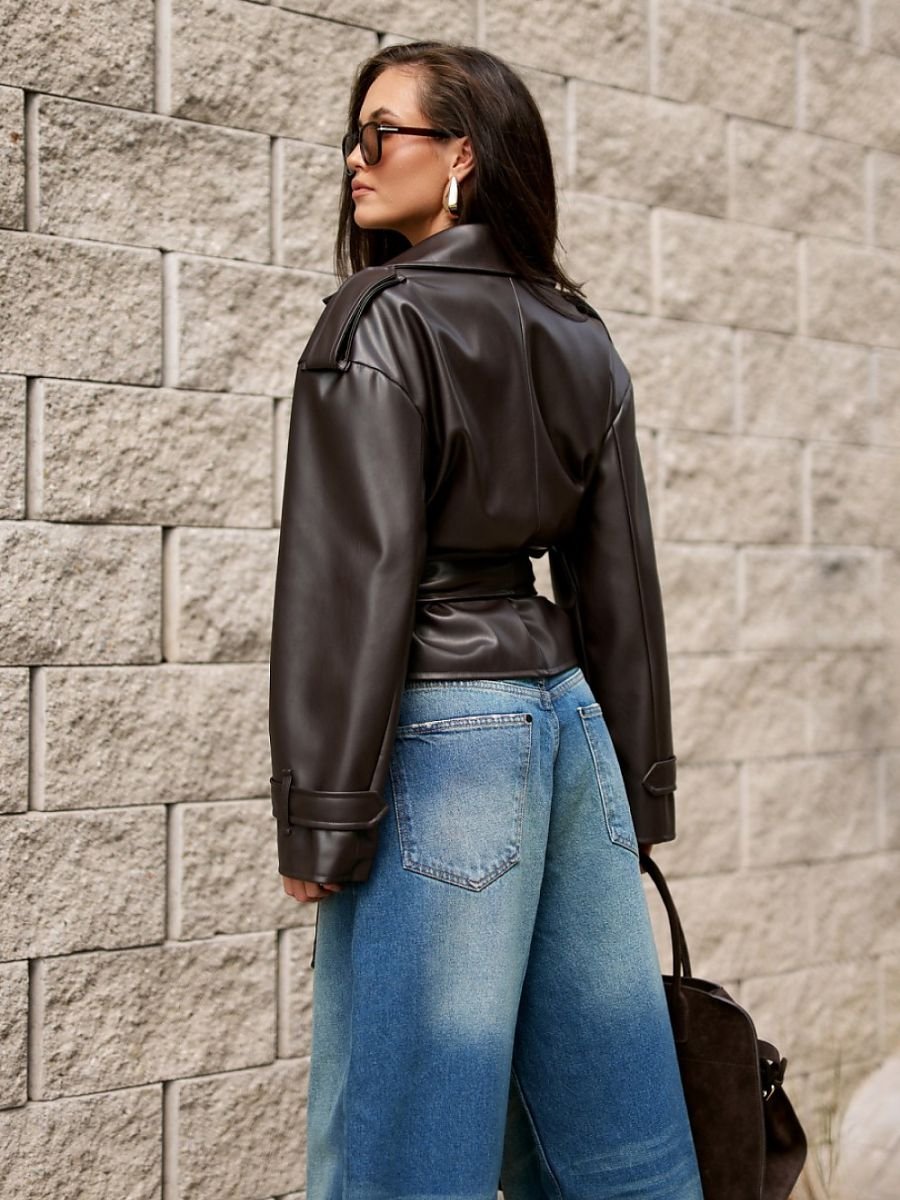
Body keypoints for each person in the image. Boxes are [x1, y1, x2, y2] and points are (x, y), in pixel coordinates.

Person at [267, 39, 704, 1200]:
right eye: (353, 136)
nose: (356, 159)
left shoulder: (378, 321)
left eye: (383, 134)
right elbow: (617, 585)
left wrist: (322, 812)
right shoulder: (579, 333)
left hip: (444, 738)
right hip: (569, 730)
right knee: (610, 1121)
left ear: (461, 154)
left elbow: (351, 580)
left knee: (409, 1131)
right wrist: (637, 790)